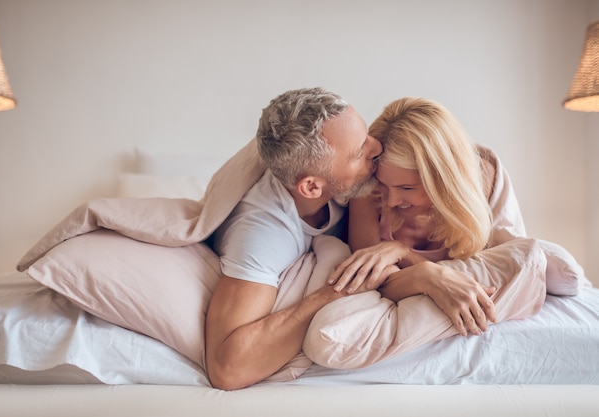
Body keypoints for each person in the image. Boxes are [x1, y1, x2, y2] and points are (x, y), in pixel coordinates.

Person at [205, 87, 383, 390]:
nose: (377, 146)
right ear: (312, 188)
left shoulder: (344, 176)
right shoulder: (262, 233)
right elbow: (227, 368)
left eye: (366, 135)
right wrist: (334, 293)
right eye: (359, 152)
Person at [328, 97, 505, 336]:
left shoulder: (485, 178)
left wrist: (403, 254)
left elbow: (496, 272)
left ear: (443, 182)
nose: (391, 201)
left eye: (406, 188)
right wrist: (427, 274)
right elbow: (370, 282)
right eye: (383, 184)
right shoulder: (368, 190)